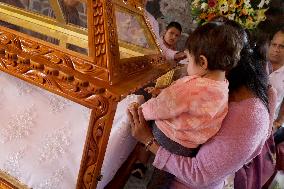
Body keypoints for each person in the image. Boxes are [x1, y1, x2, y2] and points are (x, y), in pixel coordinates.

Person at [128, 19, 277, 189]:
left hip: (182, 177)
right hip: (180, 155)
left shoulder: (249, 116)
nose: (188, 66)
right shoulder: (223, 85)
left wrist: (146, 135)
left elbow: (199, 174)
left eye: (190, 60)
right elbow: (187, 103)